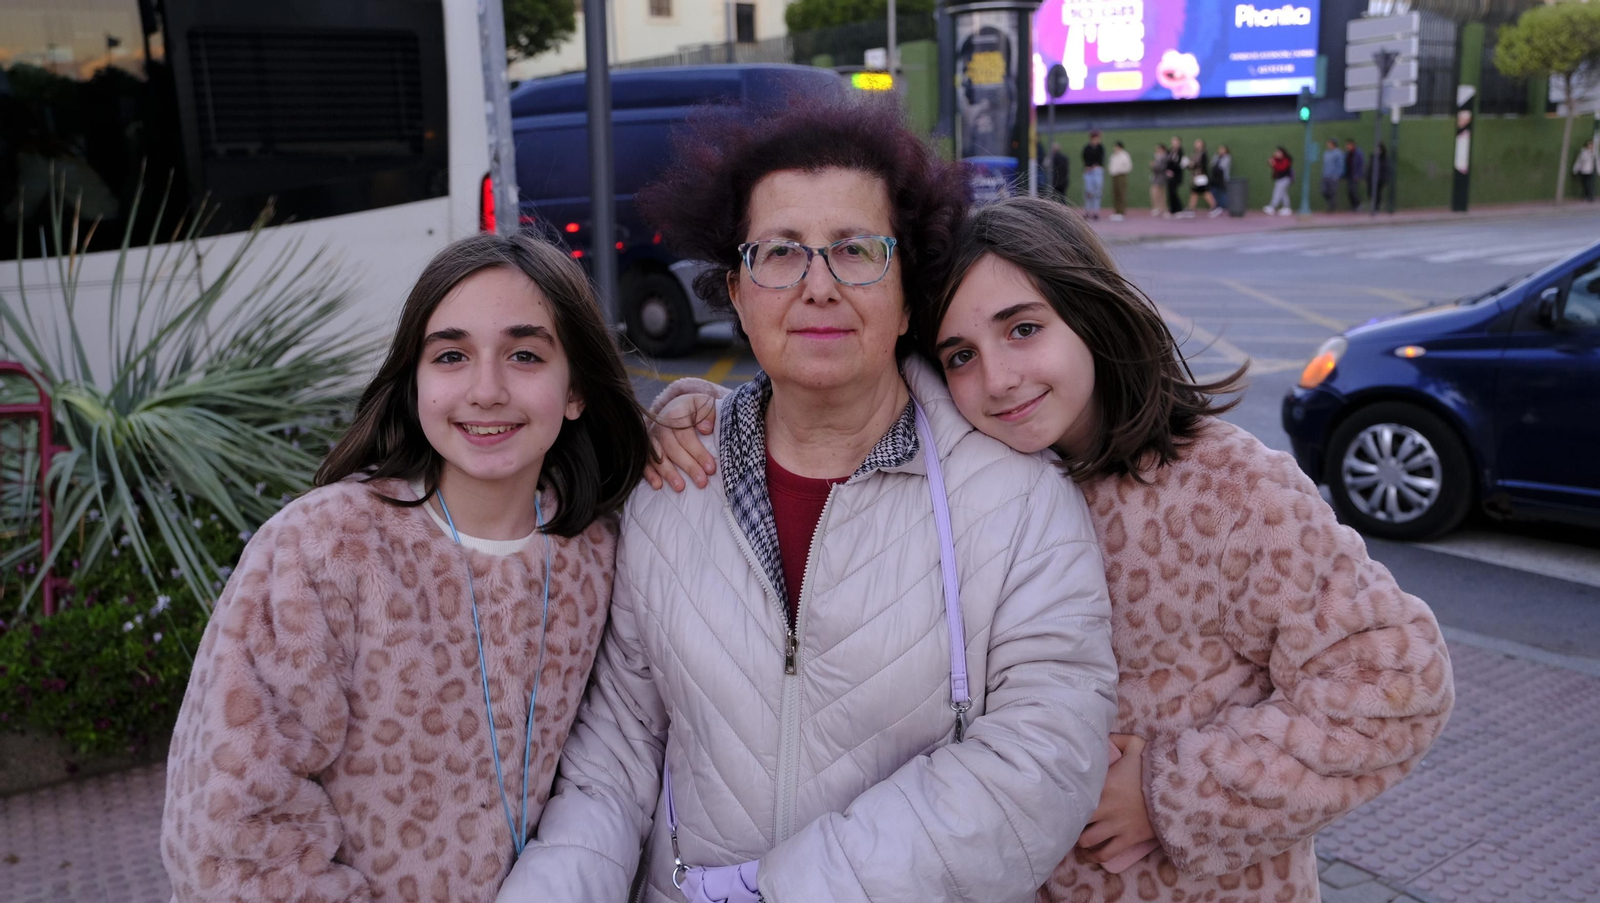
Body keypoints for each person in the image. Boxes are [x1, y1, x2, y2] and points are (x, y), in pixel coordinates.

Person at [652, 195, 1456, 903]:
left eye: (1024, 329)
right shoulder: (972, 471)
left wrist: (1170, 792)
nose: (998, 378)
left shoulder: (1225, 488)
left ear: (1092, 317)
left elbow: (1396, 677)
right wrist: (713, 412)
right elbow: (843, 398)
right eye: (961, 355)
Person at [499, 93, 1118, 903]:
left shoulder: (1018, 505)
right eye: (781, 253)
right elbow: (616, 757)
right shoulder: (671, 487)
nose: (818, 286)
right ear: (737, 293)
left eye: (856, 250)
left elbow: (1038, 764)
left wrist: (781, 891)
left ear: (906, 297)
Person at [159, 233, 654, 903]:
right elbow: (228, 831)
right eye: (451, 355)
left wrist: (688, 416)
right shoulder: (324, 547)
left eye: (526, 355)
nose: (487, 389)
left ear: (577, 390)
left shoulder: (598, 554)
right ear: (415, 381)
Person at [1182, 137, 1217, 217]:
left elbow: (1201, 165)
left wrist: (1193, 165)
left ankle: (1214, 207)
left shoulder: (1203, 153)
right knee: (1194, 192)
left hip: (1201, 177)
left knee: (1205, 192)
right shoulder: (1195, 153)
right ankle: (1191, 209)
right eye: (1196, 143)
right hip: (1195, 177)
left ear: (1202, 145)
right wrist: (1187, 165)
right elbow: (1192, 166)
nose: (1196, 145)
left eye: (1198, 143)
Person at [1081, 130, 1106, 219]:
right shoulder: (1087, 148)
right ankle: (1087, 211)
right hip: (1088, 172)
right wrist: (1088, 166)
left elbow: (1101, 159)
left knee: (1097, 192)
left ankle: (1096, 212)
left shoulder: (1100, 148)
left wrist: (1095, 165)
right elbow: (1084, 158)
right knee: (1088, 192)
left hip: (1097, 171)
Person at [1264, 146, 1294, 215]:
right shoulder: (1276, 159)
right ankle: (1287, 208)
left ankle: (1272, 207)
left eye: (1278, 152)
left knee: (1277, 192)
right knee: (1283, 193)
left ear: (1282, 153)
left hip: (1285, 178)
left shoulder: (1286, 159)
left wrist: (1274, 163)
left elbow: (1282, 168)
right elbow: (1272, 164)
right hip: (1279, 178)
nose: (1276, 153)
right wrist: (1271, 162)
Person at [1108, 139, 1132, 220]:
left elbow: (1128, 167)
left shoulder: (1124, 156)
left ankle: (1121, 212)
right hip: (1114, 176)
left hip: (1121, 176)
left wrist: (1120, 172)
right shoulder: (1113, 156)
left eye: (1116, 146)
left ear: (1120, 147)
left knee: (1121, 193)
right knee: (1116, 194)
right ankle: (1117, 211)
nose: (1115, 148)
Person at [1164, 135, 1186, 216]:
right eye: (1173, 142)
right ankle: (1172, 209)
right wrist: (1167, 170)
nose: (1174, 143)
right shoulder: (1170, 151)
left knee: (1174, 191)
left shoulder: (1180, 152)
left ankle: (1179, 208)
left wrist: (1172, 170)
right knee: (1170, 191)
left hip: (1176, 175)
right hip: (1169, 175)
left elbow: (1179, 164)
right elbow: (1167, 162)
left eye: (1176, 142)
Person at [1322, 138, 1345, 213]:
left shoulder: (1338, 153)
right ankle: (1331, 204)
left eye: (1329, 143)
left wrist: (1337, 175)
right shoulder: (1326, 153)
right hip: (1326, 175)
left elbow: (1340, 165)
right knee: (1324, 191)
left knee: (1333, 192)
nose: (1328, 145)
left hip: (1333, 176)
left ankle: (1332, 207)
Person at [1209, 144, 1232, 217]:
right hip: (1215, 178)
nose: (1221, 151)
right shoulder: (1216, 156)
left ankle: (1223, 206)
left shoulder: (1227, 157)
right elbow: (1212, 164)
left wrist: (1216, 166)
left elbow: (1222, 167)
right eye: (1220, 149)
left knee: (1223, 192)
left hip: (1223, 178)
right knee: (1213, 191)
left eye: (1223, 149)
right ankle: (1214, 205)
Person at [1344, 138, 1367, 211]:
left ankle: (1359, 204)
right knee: (1349, 191)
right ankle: (1354, 206)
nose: (1347, 146)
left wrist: (1358, 175)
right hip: (1349, 175)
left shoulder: (1358, 153)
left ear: (1352, 145)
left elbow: (1361, 165)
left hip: (1355, 175)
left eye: (1349, 145)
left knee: (1353, 190)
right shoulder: (1347, 154)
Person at [1149, 142, 1169, 216]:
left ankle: (1163, 209)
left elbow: (1163, 167)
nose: (1157, 150)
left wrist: (1154, 165)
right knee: (1154, 193)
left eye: (1158, 148)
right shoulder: (1157, 156)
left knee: (1160, 194)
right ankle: (1157, 208)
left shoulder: (1164, 157)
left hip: (1161, 177)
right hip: (1156, 177)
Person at [1575, 138, 1597, 202]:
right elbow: (1580, 160)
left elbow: (1597, 161)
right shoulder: (1583, 152)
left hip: (1591, 170)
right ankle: (1585, 196)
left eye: (1591, 145)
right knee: (1585, 184)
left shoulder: (1594, 152)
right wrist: (1576, 169)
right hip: (1584, 170)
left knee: (1590, 184)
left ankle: (1591, 197)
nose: (1590, 146)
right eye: (1589, 144)